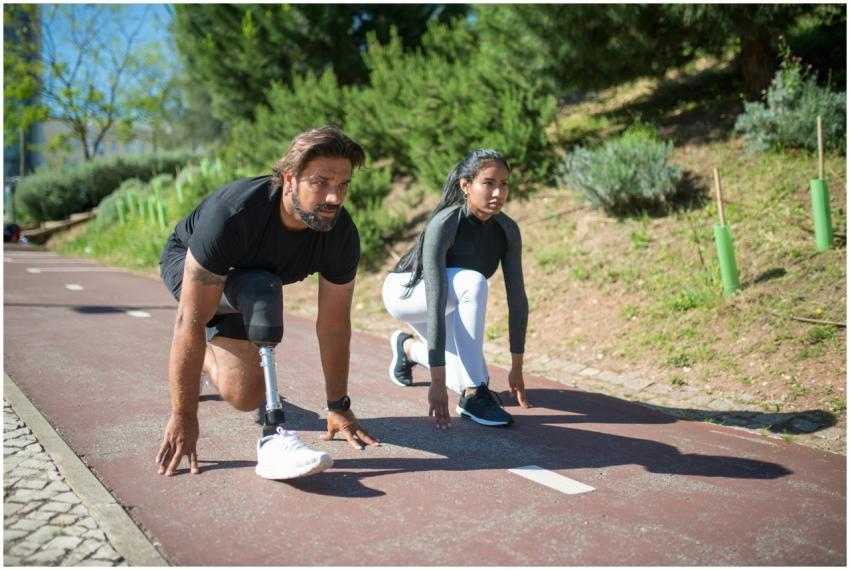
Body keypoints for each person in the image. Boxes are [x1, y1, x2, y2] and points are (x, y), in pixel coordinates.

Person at [156, 126, 379, 480]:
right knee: (261, 288)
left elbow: (334, 324)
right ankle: (274, 436)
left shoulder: (340, 233)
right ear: (290, 180)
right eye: (320, 182)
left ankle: (205, 360)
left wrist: (338, 405)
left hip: (252, 286)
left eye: (343, 185)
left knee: (245, 397)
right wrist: (184, 414)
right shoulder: (232, 215)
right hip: (192, 262)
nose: (334, 197)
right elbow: (190, 321)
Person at [382, 149, 530, 430]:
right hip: (407, 293)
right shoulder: (446, 223)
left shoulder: (507, 230)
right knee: (474, 282)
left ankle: (407, 348)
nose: (498, 192)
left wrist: (517, 367)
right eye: (488, 183)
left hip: (452, 296)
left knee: (460, 378)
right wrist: (436, 383)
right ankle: (475, 391)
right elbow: (435, 300)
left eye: (504, 183)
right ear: (466, 185)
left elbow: (518, 300)